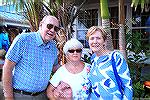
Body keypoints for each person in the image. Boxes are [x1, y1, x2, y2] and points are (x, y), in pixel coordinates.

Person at [2, 15, 61, 100]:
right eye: (49, 26)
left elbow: (55, 67)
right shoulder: (23, 40)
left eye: (56, 29)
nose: (52, 30)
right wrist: (8, 97)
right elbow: (7, 68)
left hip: (42, 96)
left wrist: (73, 69)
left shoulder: (53, 46)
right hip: (21, 96)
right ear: (41, 25)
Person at [86, 26, 133, 99]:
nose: (95, 41)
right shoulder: (93, 59)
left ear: (104, 41)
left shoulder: (115, 57)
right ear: (88, 41)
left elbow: (127, 86)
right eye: (92, 38)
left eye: (98, 38)